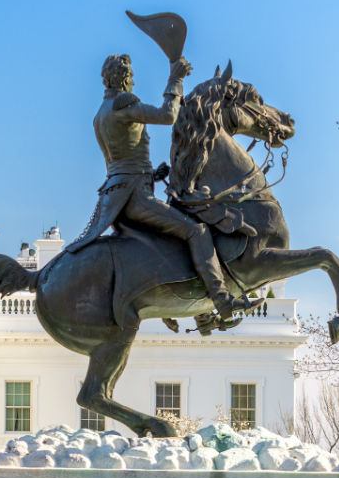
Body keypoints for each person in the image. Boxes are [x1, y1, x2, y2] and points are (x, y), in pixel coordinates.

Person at [75, 53, 236, 315]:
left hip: (118, 194)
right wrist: (175, 79)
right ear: (125, 78)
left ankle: (197, 310)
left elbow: (122, 160)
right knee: (197, 232)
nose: (134, 81)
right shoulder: (122, 105)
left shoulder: (100, 114)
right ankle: (221, 300)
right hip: (135, 198)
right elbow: (168, 115)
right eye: (132, 77)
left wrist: (153, 173)